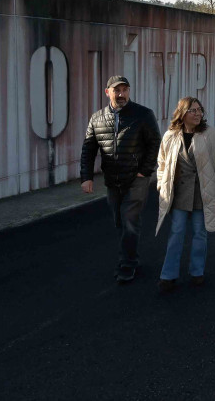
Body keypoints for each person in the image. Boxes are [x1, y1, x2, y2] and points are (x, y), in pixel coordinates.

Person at [81, 75, 161, 283]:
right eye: (117, 90)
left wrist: (145, 171)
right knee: (120, 222)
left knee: (129, 220)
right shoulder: (97, 118)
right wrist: (86, 177)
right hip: (112, 181)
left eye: (125, 90)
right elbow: (88, 149)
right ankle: (130, 256)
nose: (121, 94)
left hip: (137, 179)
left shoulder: (143, 115)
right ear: (107, 92)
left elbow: (155, 143)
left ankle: (127, 265)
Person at [154, 97, 215, 293]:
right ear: (182, 114)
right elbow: (162, 163)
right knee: (176, 233)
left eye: (199, 110)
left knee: (199, 232)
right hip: (179, 193)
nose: (198, 114)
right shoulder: (170, 136)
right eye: (193, 111)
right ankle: (168, 276)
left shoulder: (211, 134)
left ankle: (197, 272)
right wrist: (161, 185)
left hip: (202, 192)